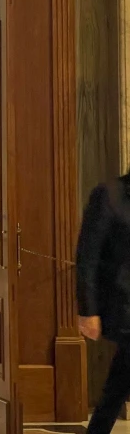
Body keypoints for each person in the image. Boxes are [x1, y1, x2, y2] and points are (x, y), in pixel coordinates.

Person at [76, 173, 130, 433]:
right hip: (123, 302)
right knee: (119, 381)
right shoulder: (109, 195)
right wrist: (88, 311)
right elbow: (88, 255)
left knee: (120, 380)